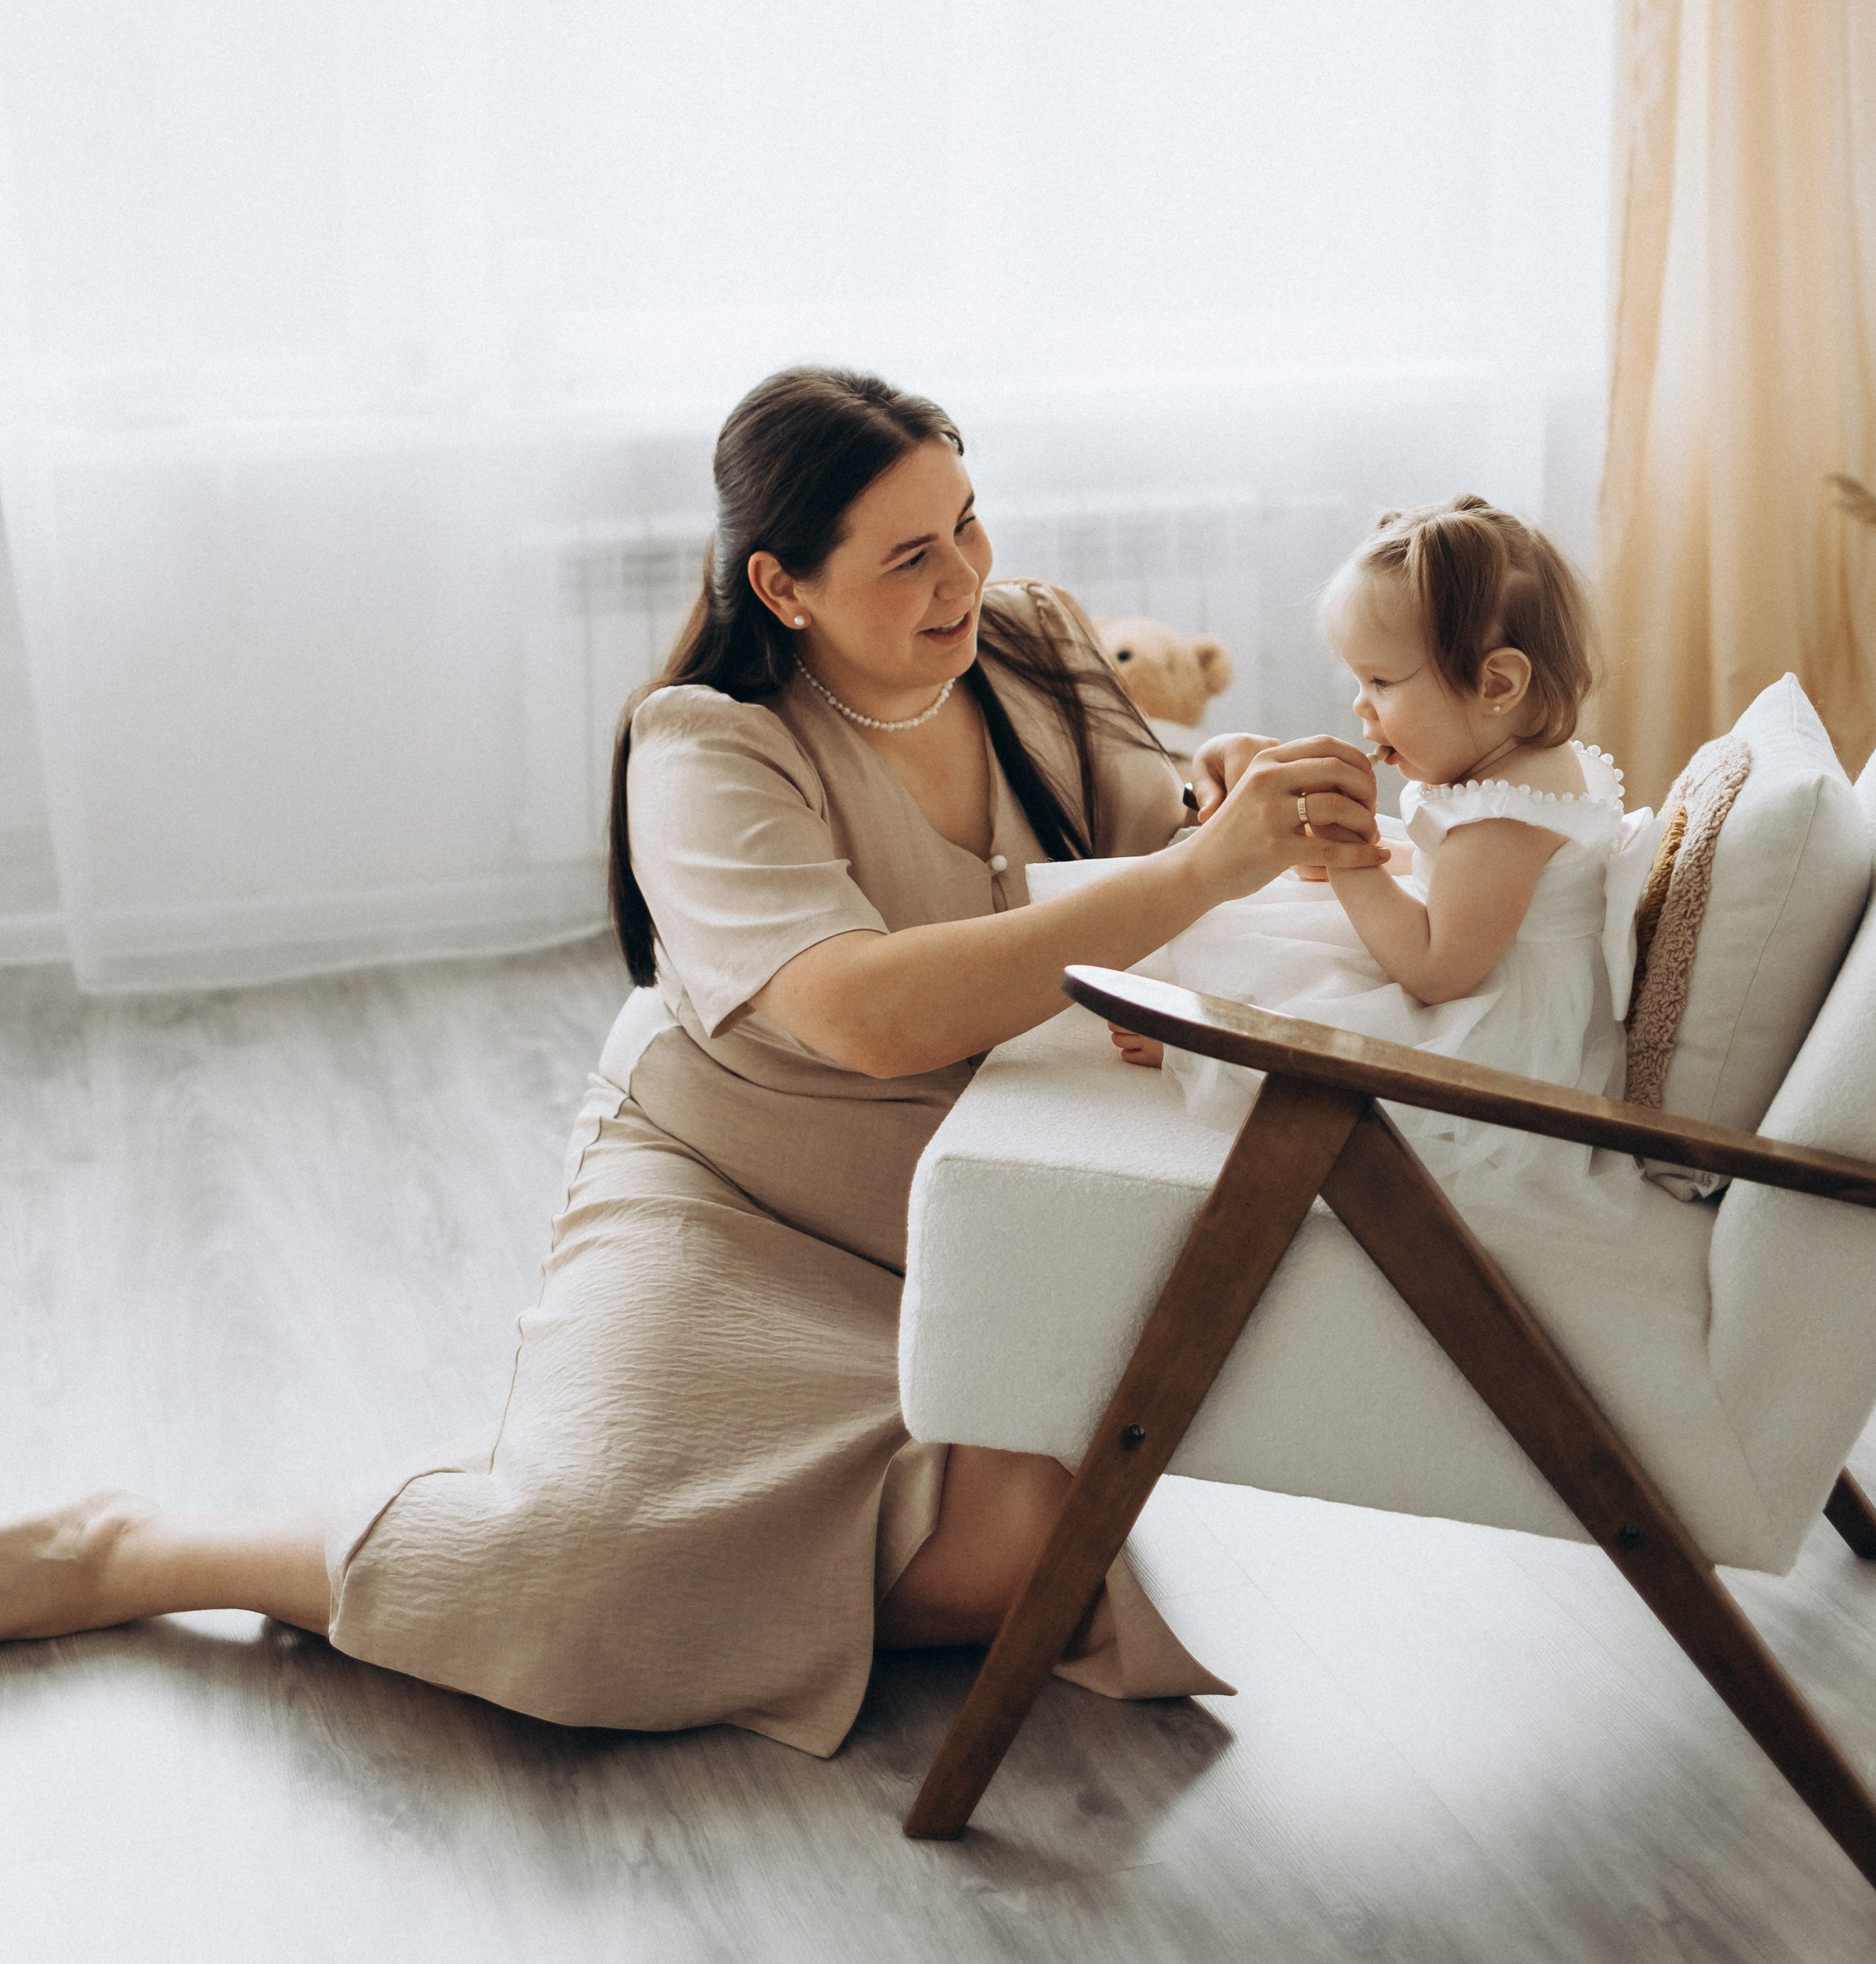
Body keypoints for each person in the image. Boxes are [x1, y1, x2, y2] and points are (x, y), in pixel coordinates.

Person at [0, 366, 1384, 1754]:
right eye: (909, 556)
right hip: (734, 1197)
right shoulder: (707, 743)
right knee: (571, 1589)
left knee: (1021, 1567)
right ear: (783, 587)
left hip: (981, 1203)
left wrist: (1210, 794)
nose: (963, 574)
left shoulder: (1032, 641)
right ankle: (144, 1552)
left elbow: (1139, 837)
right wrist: (1198, 871)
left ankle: (634, 1508)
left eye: (968, 521)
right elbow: (866, 1015)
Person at [1107, 497, 1657, 1209]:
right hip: (1484, 974)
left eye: (1382, 682)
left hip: (1493, 1048)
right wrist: (1378, 855)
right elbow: (1458, 883)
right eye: (1359, 682)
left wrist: (1349, 863)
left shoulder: (1501, 820)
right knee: (1282, 929)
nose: (1361, 707)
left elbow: (1435, 971)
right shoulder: (1515, 768)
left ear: (1495, 684)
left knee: (1319, 1015)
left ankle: (1202, 1050)